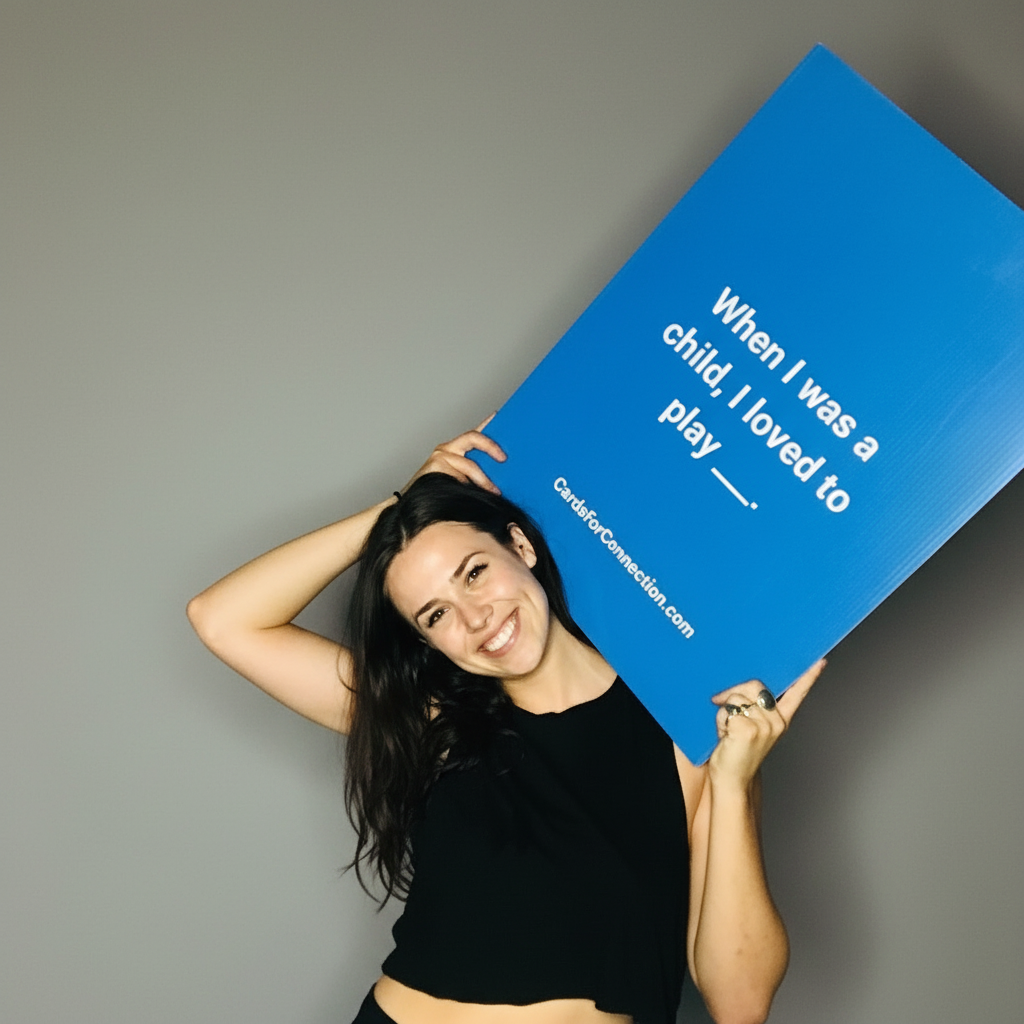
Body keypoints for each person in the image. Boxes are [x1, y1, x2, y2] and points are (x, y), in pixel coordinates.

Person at [186, 421, 823, 1024]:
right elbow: (222, 619)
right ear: (428, 642)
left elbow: (740, 1004)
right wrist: (398, 510)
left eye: (475, 572)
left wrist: (735, 784)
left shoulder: (687, 732)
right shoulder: (435, 722)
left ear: (520, 545)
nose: (474, 618)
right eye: (434, 615)